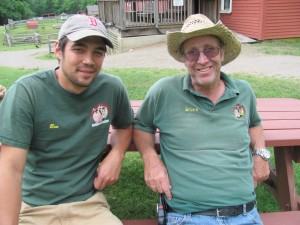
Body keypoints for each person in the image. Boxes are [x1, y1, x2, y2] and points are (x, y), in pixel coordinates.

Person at [133, 14, 270, 225]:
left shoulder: (244, 91)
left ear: (222, 52)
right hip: (188, 217)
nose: (202, 59)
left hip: (246, 215)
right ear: (183, 59)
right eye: (192, 53)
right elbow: (142, 125)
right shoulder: (164, 91)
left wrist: (261, 154)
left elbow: (254, 122)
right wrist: (151, 160)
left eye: (210, 49)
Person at [0, 14, 133, 225]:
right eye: (78, 49)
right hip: (33, 207)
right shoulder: (27, 92)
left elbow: (125, 125)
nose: (89, 61)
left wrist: (116, 154)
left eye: (97, 52)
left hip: (88, 204)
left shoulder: (112, 88)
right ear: (58, 50)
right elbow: (9, 168)